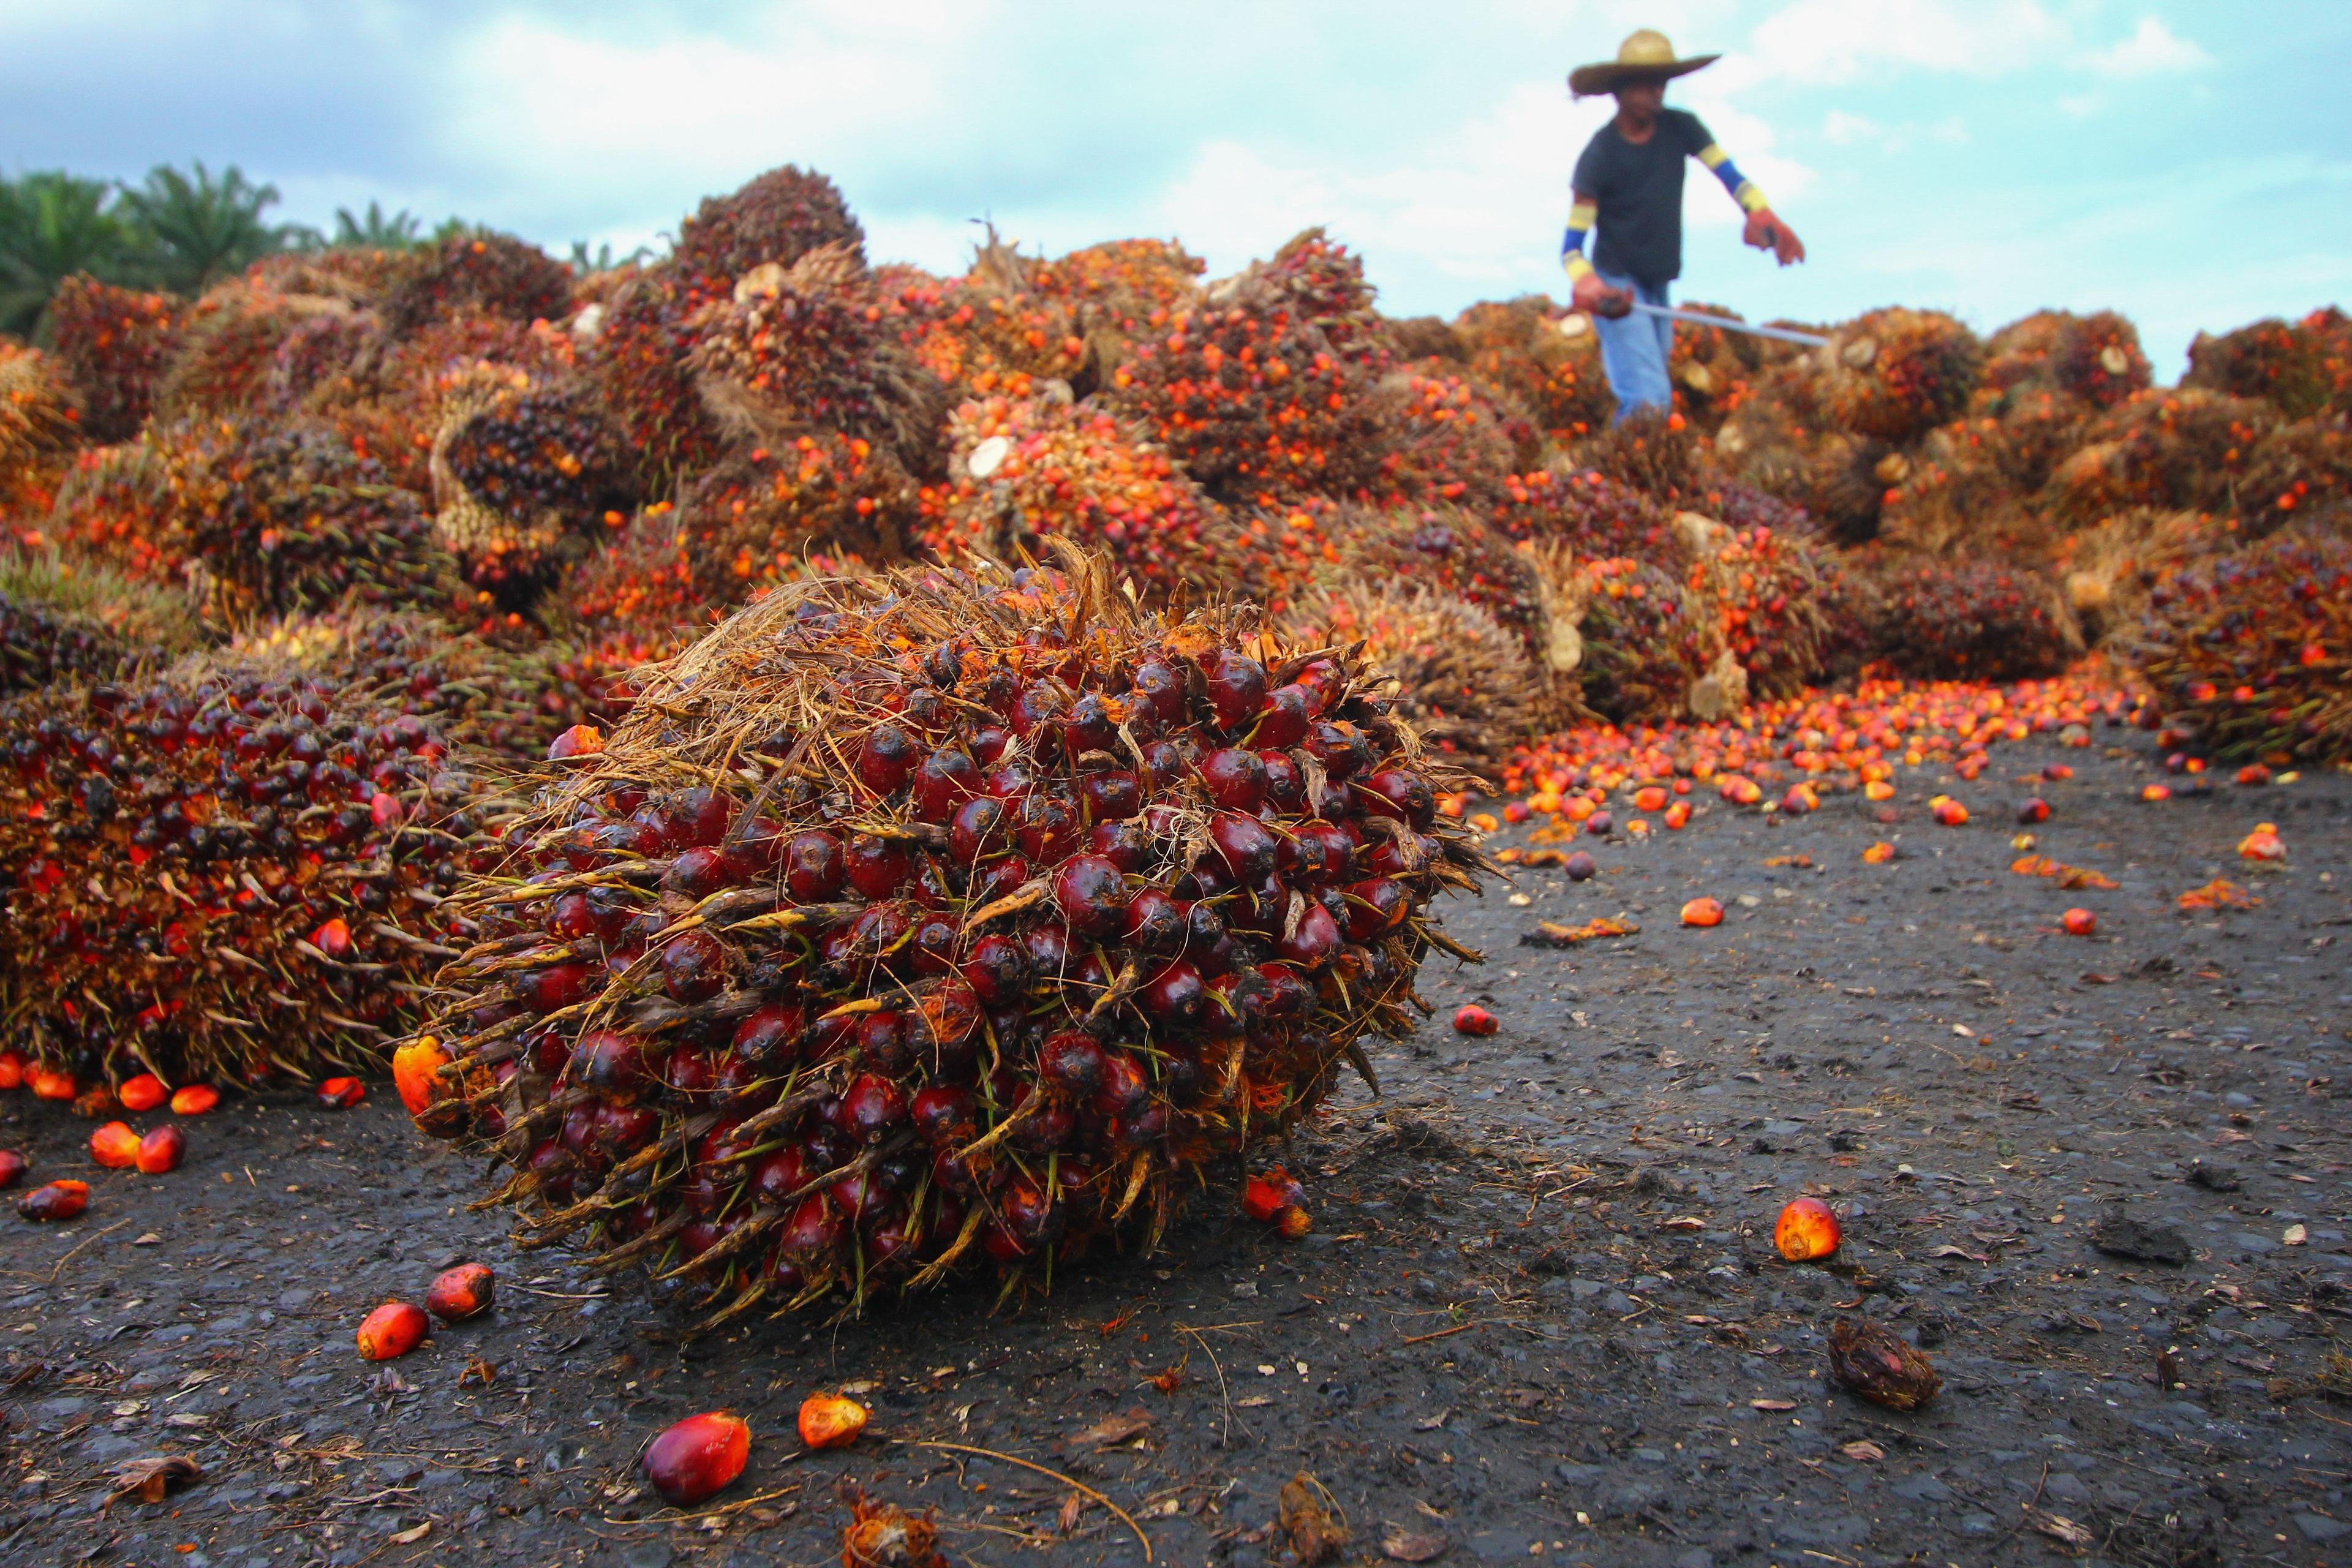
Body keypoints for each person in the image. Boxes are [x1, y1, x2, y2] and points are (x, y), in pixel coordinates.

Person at [1561, 29, 1806, 421]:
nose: (1657, 92)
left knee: (1655, 392)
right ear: (1620, 90)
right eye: (1646, 84)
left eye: (1662, 83)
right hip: (1619, 285)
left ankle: (1623, 476)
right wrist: (1587, 282)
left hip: (1659, 283)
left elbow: (1730, 175)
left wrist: (1758, 211)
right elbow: (1572, 247)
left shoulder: (1682, 128)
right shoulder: (1600, 156)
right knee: (1648, 400)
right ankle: (1611, 482)